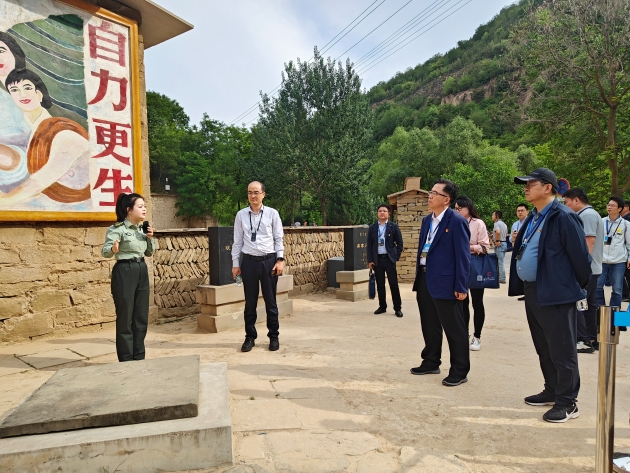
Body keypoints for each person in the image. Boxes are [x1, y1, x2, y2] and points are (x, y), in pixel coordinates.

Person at [509, 168, 591, 423]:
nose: (525, 188)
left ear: (548, 188)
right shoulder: (533, 217)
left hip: (556, 293)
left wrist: (568, 288)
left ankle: (567, 403)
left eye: (530, 184)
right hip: (533, 290)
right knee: (544, 346)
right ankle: (552, 389)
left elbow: (581, 259)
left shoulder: (563, 216)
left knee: (562, 350)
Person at [410, 178, 471, 387]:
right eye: (431, 192)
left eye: (435, 193)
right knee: (429, 323)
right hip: (425, 277)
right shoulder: (427, 221)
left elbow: (463, 256)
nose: (430, 195)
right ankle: (431, 361)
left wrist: (461, 286)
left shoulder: (457, 221)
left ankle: (459, 370)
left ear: (446, 199)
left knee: (454, 328)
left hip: (447, 282)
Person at [1, 68, 91, 209]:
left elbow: (38, 182)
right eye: (14, 90)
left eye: (27, 87)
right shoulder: (34, 134)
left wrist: (6, 201)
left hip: (81, 207)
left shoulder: (65, 133)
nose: (22, 94)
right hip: (58, 205)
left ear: (39, 93)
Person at [101, 193, 157, 362]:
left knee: (141, 316)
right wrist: (113, 249)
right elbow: (105, 252)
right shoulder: (117, 229)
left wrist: (149, 238)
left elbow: (149, 252)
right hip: (124, 271)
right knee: (125, 318)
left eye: (145, 206)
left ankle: (139, 357)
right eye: (140, 206)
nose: (144, 209)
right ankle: (126, 359)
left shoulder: (142, 229)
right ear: (129, 210)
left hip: (141, 269)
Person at [232, 181, 285, 352]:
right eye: (249, 192)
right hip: (249, 262)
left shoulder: (272, 214)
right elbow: (237, 241)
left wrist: (280, 260)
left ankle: (274, 336)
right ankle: (250, 337)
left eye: (256, 192)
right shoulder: (241, 215)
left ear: (263, 194)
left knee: (271, 301)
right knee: (250, 302)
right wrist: (235, 264)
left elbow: (278, 239)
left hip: (269, 262)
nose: (252, 196)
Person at [563, 188, 603, 354]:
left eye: (567, 202)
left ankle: (583, 340)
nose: (566, 206)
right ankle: (592, 337)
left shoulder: (586, 215)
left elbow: (589, 242)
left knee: (579, 302)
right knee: (590, 304)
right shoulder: (592, 214)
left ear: (576, 200)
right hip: (593, 268)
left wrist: (581, 268)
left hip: (587, 269)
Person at [454, 196, 490, 351]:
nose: (457, 211)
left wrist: (467, 247)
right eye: (455, 208)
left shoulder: (478, 223)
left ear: (468, 208)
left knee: (477, 302)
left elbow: (485, 247)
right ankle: (464, 333)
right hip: (457, 266)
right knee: (462, 301)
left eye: (460, 208)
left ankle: (477, 336)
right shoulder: (453, 222)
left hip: (474, 266)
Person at [367, 204, 404, 317]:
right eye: (380, 211)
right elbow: (369, 245)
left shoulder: (393, 226)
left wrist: (396, 256)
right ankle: (382, 306)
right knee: (380, 285)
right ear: (377, 213)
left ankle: (397, 308)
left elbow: (400, 243)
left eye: (384, 211)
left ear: (389, 213)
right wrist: (370, 260)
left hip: (389, 259)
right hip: (377, 260)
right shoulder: (372, 228)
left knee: (393, 284)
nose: (382, 212)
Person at [596, 196, 630, 309]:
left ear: (619, 209)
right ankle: (600, 312)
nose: (609, 207)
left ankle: (614, 314)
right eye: (608, 205)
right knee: (598, 286)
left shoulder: (626, 224)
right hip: (601, 260)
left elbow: (629, 243)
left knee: (617, 289)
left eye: (612, 205)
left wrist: (629, 258)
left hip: (618, 261)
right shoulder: (601, 222)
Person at [492, 210, 508, 283]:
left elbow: (498, 232)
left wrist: (497, 240)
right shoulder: (504, 224)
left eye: (493, 215)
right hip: (504, 243)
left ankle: (502, 278)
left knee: (500, 262)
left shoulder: (496, 223)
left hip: (499, 244)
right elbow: (506, 234)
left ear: (497, 216)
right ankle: (500, 277)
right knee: (500, 261)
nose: (492, 216)